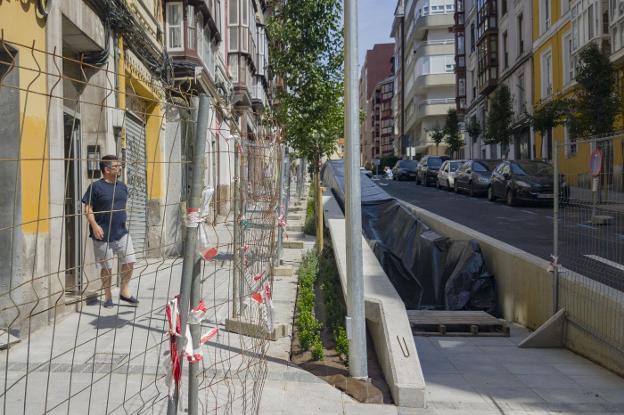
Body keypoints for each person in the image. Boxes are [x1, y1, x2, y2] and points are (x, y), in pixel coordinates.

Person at [82, 155, 139, 308]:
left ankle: (124, 291)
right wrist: (94, 225)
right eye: (116, 166)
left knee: (130, 261)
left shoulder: (122, 186)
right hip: (101, 235)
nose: (119, 168)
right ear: (106, 170)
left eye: (119, 165)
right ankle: (107, 295)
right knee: (106, 267)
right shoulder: (95, 187)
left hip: (121, 233)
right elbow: (88, 208)